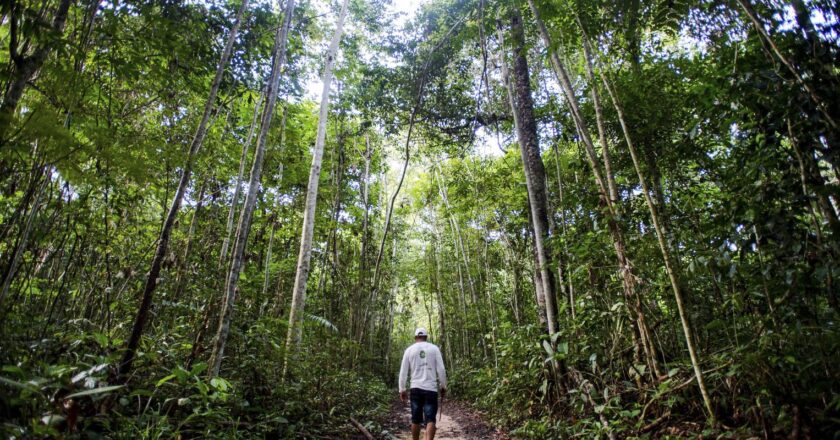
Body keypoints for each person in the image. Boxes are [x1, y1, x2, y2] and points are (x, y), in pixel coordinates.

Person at [398, 327, 447, 440]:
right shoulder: (434, 349)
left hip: (415, 388)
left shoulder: (409, 350)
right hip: (431, 389)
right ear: (426, 337)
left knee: (415, 420)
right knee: (430, 419)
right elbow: (441, 369)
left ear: (415, 337)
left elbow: (403, 371)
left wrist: (402, 389)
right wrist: (443, 386)